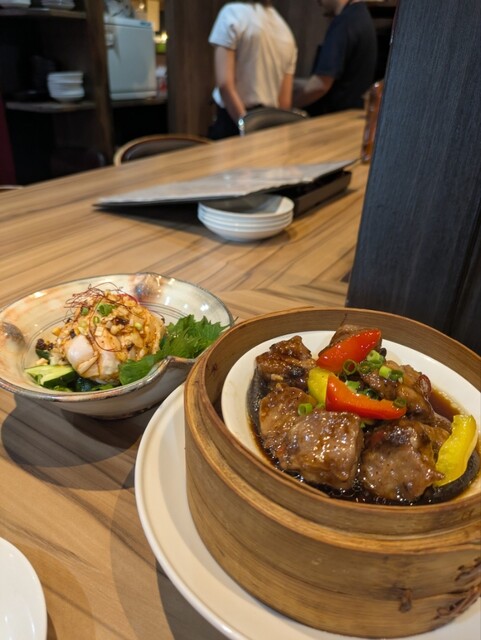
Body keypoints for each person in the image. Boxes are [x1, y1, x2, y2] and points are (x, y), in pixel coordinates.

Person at [207, 1, 298, 139]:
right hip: (270, 123)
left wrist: (248, 127)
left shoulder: (231, 13)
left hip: (233, 121)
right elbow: (284, 102)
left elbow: (225, 84)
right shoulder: (285, 31)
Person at [294, 0, 377, 116]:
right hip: (350, 116)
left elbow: (321, 85)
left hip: (333, 117)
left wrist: (287, 106)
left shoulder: (344, 22)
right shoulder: (361, 15)